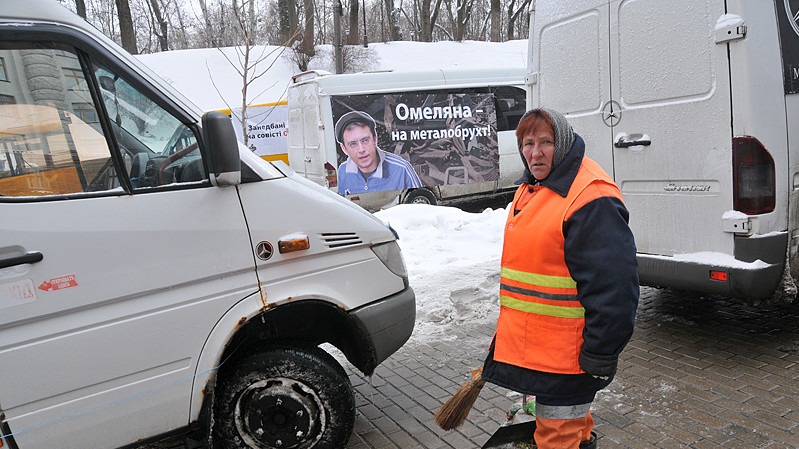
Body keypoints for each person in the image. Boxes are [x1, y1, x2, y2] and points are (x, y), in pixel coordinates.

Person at [481, 108, 639, 449]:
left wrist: (600, 352)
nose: (535, 152)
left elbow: (615, 287)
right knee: (572, 434)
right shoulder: (536, 185)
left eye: (545, 142)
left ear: (562, 143)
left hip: (568, 361)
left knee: (558, 440)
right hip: (544, 356)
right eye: (527, 143)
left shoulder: (590, 198)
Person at [334, 110, 422, 195]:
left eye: (365, 140)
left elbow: (419, 203)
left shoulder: (402, 170)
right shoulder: (342, 172)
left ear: (375, 140)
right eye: (353, 144)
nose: (361, 150)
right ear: (344, 149)